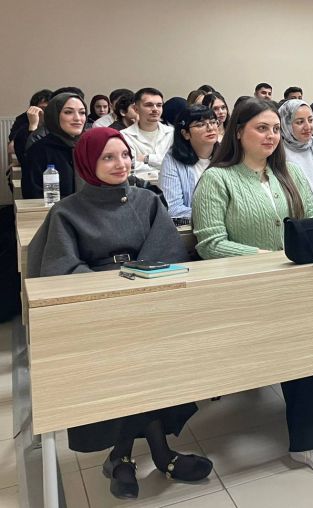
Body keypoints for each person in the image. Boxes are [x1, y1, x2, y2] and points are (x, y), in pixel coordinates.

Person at [28, 127, 213, 499]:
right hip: (97, 312)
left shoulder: (147, 200)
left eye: (125, 155)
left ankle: (123, 458)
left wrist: (135, 285)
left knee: (152, 363)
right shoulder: (67, 211)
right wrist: (112, 289)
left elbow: (167, 251)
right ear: (88, 163)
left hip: (147, 303)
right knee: (123, 368)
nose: (121, 163)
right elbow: (61, 269)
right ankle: (159, 455)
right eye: (108, 157)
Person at [191, 98, 313, 476]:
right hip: (247, 292)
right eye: (262, 128)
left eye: (276, 129)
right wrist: (266, 257)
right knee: (302, 340)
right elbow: (210, 243)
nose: (271, 136)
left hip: (296, 285)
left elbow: (312, 222)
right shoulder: (217, 179)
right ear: (238, 132)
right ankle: (310, 442)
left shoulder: (288, 174)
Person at [22, 92, 86, 199]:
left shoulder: (89, 146)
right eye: (68, 112)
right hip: (54, 208)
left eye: (82, 112)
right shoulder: (39, 150)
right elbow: (33, 193)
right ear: (54, 115)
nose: (77, 118)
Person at [160, 106, 219, 219]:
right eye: (200, 124)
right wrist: (215, 216)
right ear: (185, 133)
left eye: (213, 122)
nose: (210, 128)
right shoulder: (173, 160)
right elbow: (173, 209)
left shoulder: (228, 156)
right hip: (194, 226)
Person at [121, 88, 174, 177]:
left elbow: (176, 163)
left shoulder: (172, 133)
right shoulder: (124, 136)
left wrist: (147, 158)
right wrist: (162, 169)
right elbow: (131, 166)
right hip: (139, 184)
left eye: (159, 105)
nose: (155, 109)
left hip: (169, 183)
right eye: (149, 105)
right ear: (136, 109)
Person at [9, 88, 52, 164]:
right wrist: (33, 126)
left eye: (50, 108)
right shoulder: (23, 120)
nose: (47, 112)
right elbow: (11, 147)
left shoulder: (56, 121)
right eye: (43, 108)